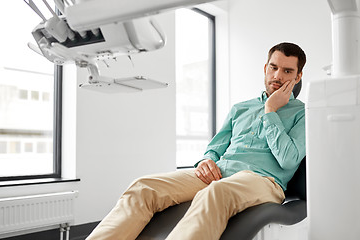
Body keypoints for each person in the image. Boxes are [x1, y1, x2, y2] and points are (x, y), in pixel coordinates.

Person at [86, 42, 306, 240]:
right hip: (219, 172)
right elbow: (215, 148)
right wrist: (206, 160)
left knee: (216, 192)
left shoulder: (303, 113)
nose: (277, 75)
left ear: (297, 77)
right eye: (273, 67)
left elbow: (288, 160)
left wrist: (270, 110)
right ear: (265, 68)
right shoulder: (241, 108)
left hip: (263, 180)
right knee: (143, 187)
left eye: (287, 71)